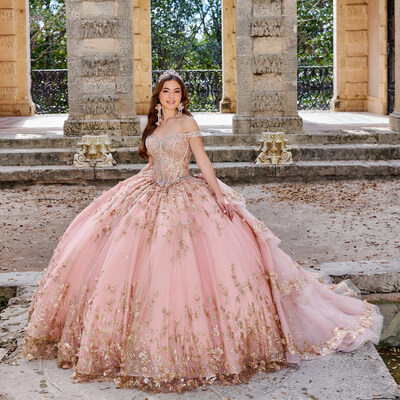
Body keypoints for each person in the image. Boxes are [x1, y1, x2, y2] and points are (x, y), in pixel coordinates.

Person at [21, 70, 383, 394]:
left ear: (183, 96)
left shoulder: (187, 124)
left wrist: (219, 193)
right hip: (148, 191)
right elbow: (152, 163)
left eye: (177, 91)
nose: (172, 96)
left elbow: (203, 162)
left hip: (183, 191)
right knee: (118, 252)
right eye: (166, 91)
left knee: (189, 265)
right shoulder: (152, 126)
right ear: (158, 95)